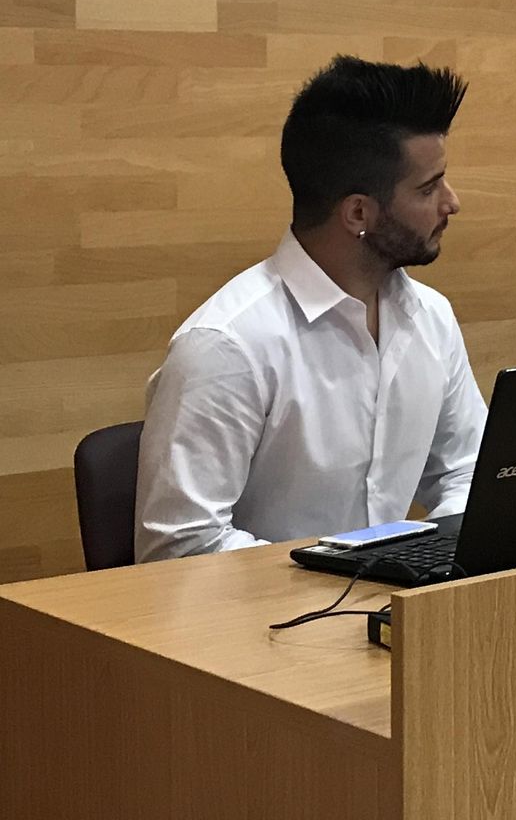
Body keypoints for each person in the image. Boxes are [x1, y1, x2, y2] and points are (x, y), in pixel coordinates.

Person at [134, 56, 486, 561]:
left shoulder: (430, 317)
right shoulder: (227, 345)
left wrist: (436, 559)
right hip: (259, 627)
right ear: (358, 212)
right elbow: (180, 547)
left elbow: (465, 468)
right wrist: (340, 573)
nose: (452, 203)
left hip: (392, 615)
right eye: (429, 188)